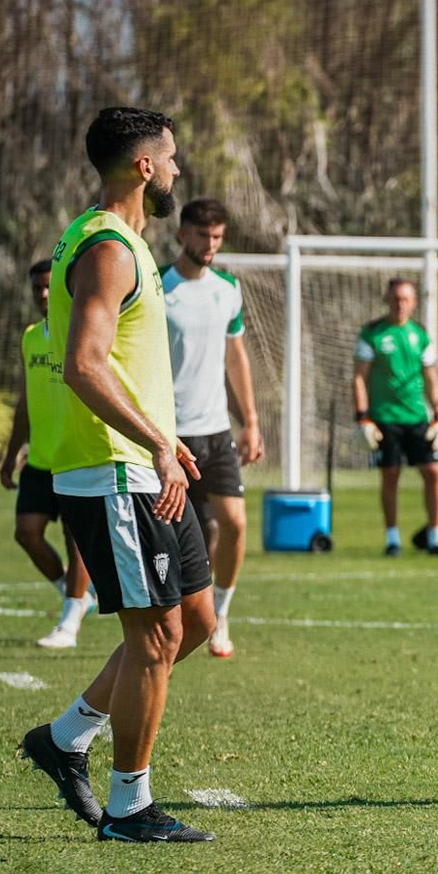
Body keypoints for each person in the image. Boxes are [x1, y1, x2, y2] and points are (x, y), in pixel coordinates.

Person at [20, 106, 218, 842]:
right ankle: (130, 807)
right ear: (143, 166)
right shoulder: (107, 247)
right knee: (157, 635)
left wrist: (165, 440)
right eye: (170, 158)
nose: (175, 169)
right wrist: (156, 444)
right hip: (115, 474)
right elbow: (81, 365)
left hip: (147, 465)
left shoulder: (118, 240)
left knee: (195, 620)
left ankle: (66, 736)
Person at [162, 197, 262, 657]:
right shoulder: (159, 287)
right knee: (189, 535)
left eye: (218, 237)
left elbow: (235, 356)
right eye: (202, 235)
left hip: (218, 431)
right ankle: (175, 620)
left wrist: (252, 422)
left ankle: (220, 614)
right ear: (182, 234)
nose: (210, 245)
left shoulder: (228, 289)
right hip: (170, 435)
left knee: (236, 524)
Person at [0, 258, 94, 648]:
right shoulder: (30, 336)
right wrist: (10, 456)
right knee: (27, 532)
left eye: (47, 286)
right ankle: (76, 597)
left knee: (78, 542)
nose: (42, 293)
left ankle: (69, 624)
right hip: (39, 459)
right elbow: (25, 402)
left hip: (76, 456)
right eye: (36, 287)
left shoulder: (82, 331)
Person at [352, 278, 438, 555]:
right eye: (396, 298)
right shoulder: (372, 334)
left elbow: (432, 377)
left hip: (417, 416)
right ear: (387, 299)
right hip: (384, 418)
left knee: (434, 471)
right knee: (390, 475)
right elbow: (359, 378)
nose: (400, 304)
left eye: (405, 299)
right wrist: (362, 417)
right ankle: (392, 539)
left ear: (414, 303)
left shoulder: (420, 335)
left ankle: (436, 538)